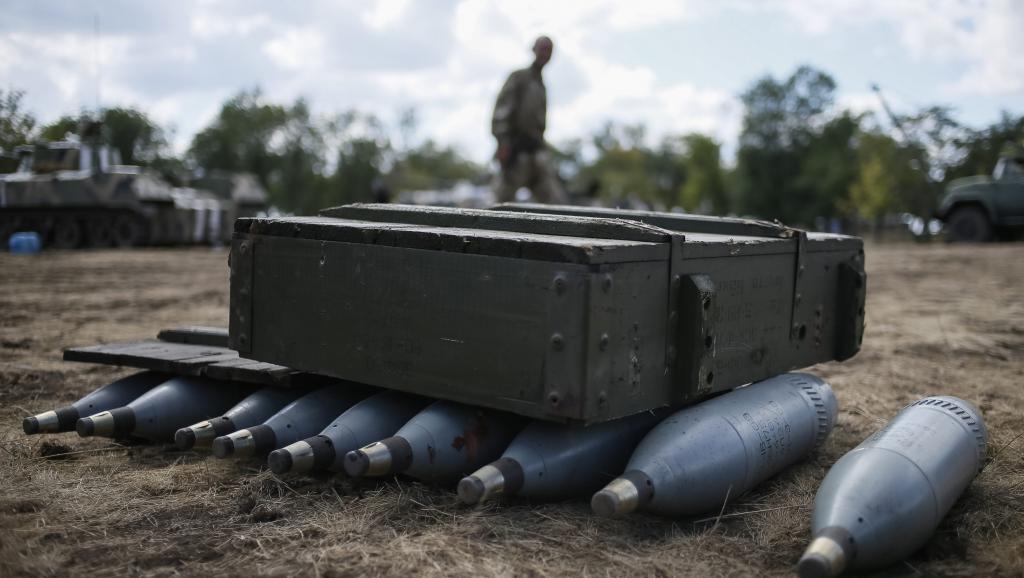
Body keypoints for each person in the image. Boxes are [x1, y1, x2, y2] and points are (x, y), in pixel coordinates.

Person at [491, 36, 567, 204]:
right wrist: (503, 142)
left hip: (536, 151)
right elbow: (502, 111)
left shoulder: (541, 85)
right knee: (501, 201)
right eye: (543, 49)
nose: (545, 54)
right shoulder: (519, 77)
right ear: (534, 50)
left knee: (554, 201)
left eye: (549, 50)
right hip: (516, 149)